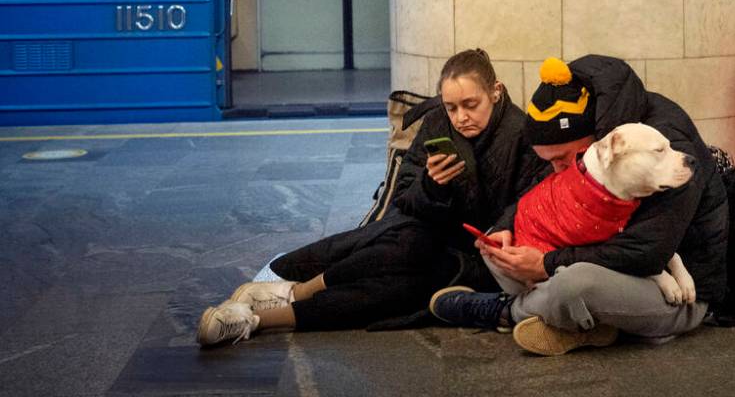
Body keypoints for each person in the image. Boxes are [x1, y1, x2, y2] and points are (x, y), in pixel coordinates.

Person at [196, 49, 549, 347]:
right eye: (452, 107)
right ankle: (264, 315)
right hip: (426, 238)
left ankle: (268, 311)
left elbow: (530, 206)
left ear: (496, 92)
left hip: (482, 259)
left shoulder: (522, 135)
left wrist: (497, 232)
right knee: (408, 248)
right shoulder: (438, 124)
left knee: (400, 287)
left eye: (471, 104)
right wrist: (432, 185)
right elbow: (404, 196)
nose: (461, 117)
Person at [428, 55, 728, 356]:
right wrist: (507, 227)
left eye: (562, 158)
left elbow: (648, 252)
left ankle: (508, 311)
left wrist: (546, 263)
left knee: (574, 285)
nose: (558, 170)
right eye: (550, 161)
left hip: (678, 292)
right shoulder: (581, 140)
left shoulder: (665, 153)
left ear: (596, 144)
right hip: (608, 263)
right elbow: (542, 189)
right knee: (497, 243)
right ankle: (581, 324)